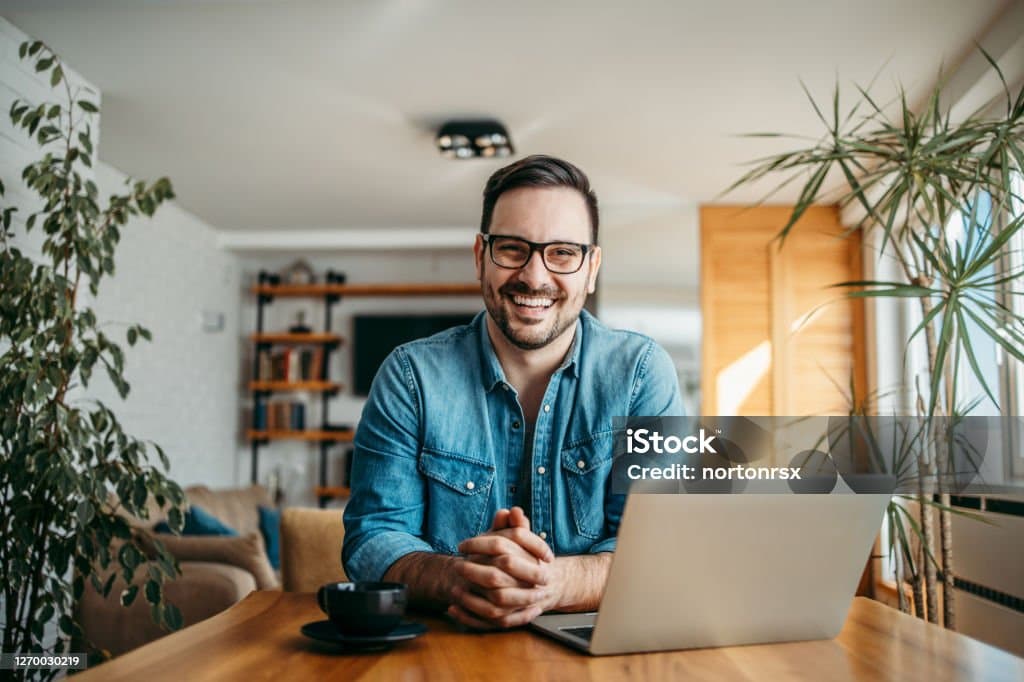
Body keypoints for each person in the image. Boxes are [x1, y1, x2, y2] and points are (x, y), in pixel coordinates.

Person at [342, 154, 682, 629]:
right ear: (481, 255)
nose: (535, 276)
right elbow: (373, 540)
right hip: (443, 653)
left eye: (562, 252)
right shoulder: (409, 376)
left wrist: (549, 585)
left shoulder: (644, 374)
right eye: (512, 248)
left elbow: (656, 548)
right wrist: (459, 578)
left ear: (592, 266)